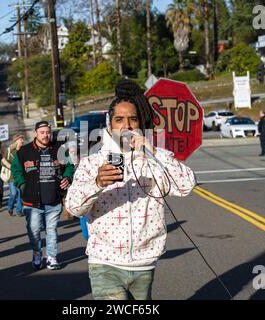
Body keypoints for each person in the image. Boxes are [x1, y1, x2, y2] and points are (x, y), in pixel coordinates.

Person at [65, 79, 197, 300]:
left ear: (139, 124)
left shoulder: (154, 157)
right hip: (104, 261)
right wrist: (96, 183)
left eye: (132, 119)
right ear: (110, 126)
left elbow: (186, 186)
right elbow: (73, 207)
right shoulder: (91, 163)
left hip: (145, 262)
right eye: (119, 120)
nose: (126, 126)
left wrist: (151, 151)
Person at [11, 121, 71, 271]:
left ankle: (52, 257)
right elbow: (16, 170)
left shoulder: (59, 149)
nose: (45, 135)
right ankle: (37, 252)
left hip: (53, 199)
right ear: (36, 133)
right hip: (32, 202)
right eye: (42, 132)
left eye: (47, 132)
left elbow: (70, 166)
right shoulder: (24, 151)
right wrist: (22, 185)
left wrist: (67, 178)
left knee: (51, 230)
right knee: (34, 231)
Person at [1, 134, 24, 217]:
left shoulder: (24, 150)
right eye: (20, 139)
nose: (22, 141)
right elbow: (3, 161)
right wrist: (11, 167)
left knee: (20, 194)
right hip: (12, 176)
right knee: (13, 194)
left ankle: (18, 211)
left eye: (22, 139)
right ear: (16, 141)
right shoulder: (10, 151)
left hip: (21, 176)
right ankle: (10, 208)